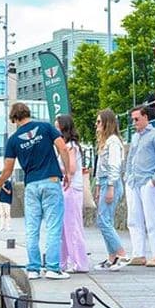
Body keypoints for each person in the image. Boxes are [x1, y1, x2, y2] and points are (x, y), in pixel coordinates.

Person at [0, 102, 71, 280]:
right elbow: (63, 148)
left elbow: (8, 170)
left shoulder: (13, 140)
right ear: (28, 113)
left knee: (31, 228)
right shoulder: (45, 127)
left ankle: (33, 269)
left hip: (31, 186)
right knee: (53, 227)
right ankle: (52, 268)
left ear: (14, 119)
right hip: (51, 180)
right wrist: (67, 173)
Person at [125, 105, 155, 267]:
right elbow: (130, 157)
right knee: (134, 218)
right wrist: (127, 175)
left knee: (152, 218)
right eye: (132, 119)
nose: (134, 122)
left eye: (136, 119)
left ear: (145, 118)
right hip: (134, 181)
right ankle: (138, 253)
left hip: (148, 180)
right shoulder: (135, 137)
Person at [93, 109, 129, 271]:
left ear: (107, 123)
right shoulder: (106, 142)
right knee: (105, 220)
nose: (96, 125)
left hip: (111, 182)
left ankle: (121, 254)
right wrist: (99, 186)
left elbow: (114, 166)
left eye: (99, 122)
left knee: (103, 221)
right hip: (105, 182)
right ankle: (112, 256)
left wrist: (110, 187)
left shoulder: (113, 141)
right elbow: (100, 167)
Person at [55, 114, 91, 273]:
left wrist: (57, 168)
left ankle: (78, 262)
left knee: (72, 226)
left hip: (70, 189)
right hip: (69, 188)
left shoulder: (69, 146)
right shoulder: (70, 145)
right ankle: (67, 261)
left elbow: (72, 168)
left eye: (57, 127)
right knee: (66, 227)